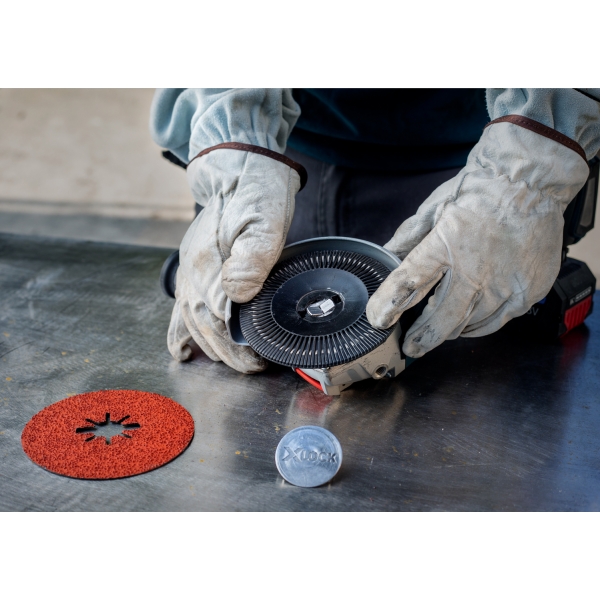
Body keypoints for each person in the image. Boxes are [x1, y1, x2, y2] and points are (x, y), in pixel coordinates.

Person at [150, 88, 600, 374]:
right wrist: (233, 155)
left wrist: (527, 177)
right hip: (280, 158)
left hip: (486, 165)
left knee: (470, 372)